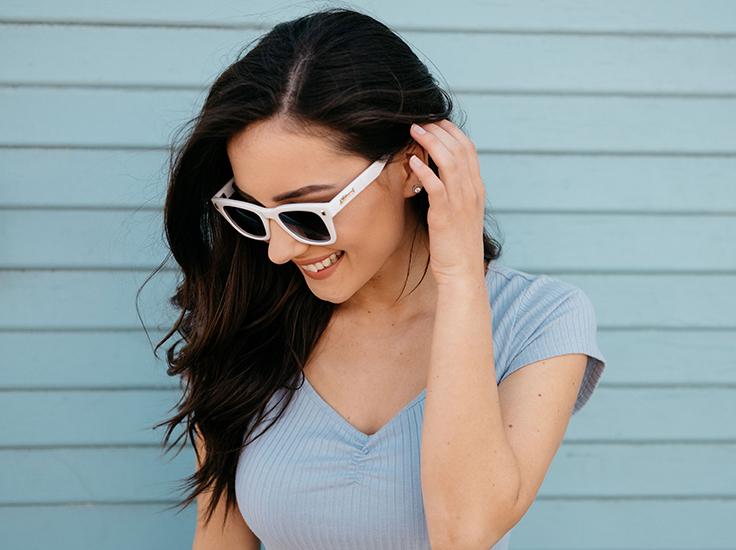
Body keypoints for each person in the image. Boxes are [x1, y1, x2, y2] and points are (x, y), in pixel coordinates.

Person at [150, 7, 606, 550]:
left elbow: (465, 532)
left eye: (308, 213)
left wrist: (460, 276)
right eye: (254, 213)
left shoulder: (540, 320)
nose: (279, 250)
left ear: (412, 164)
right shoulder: (242, 317)